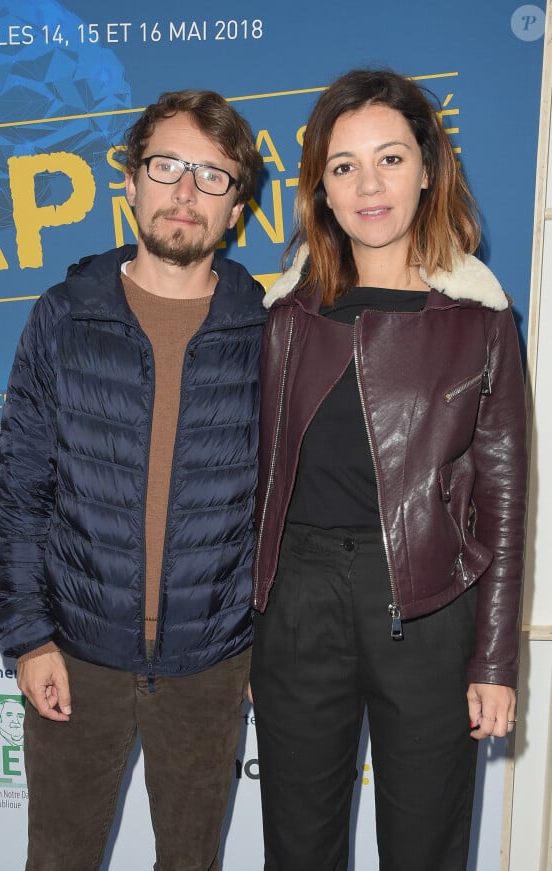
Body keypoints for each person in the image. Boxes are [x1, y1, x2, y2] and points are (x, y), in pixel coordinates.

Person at [250, 68, 527, 871]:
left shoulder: (481, 321)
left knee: (425, 850)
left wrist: (495, 661)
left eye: (391, 158)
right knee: (297, 851)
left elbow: (505, 500)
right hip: (297, 607)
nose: (369, 184)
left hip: (432, 606)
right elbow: (253, 487)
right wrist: (252, 628)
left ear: (429, 169)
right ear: (322, 192)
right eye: (343, 166)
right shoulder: (282, 317)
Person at [0, 88, 265, 871]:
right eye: (168, 166)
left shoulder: (269, 330)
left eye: (212, 176)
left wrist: (264, 651)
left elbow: (284, 507)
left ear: (236, 207)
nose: (186, 192)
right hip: (75, 655)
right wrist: (29, 636)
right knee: (59, 859)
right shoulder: (63, 316)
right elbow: (21, 488)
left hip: (212, 666)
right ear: (130, 184)